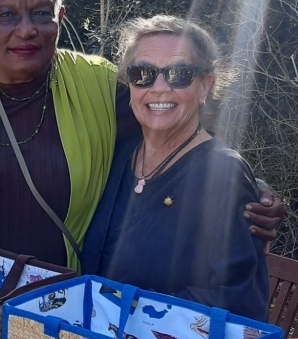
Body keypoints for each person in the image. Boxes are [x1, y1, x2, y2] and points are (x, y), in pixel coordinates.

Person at [0, 0, 284, 269]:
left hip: (67, 313)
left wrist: (243, 184)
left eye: (41, 13)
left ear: (60, 17)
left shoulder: (103, 87)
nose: (26, 30)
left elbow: (176, 137)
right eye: (7, 15)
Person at [82, 16, 269, 320]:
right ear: (129, 84)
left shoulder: (222, 174)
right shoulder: (118, 156)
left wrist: (131, 317)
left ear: (206, 85)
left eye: (179, 74)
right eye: (143, 73)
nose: (159, 88)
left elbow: (238, 300)